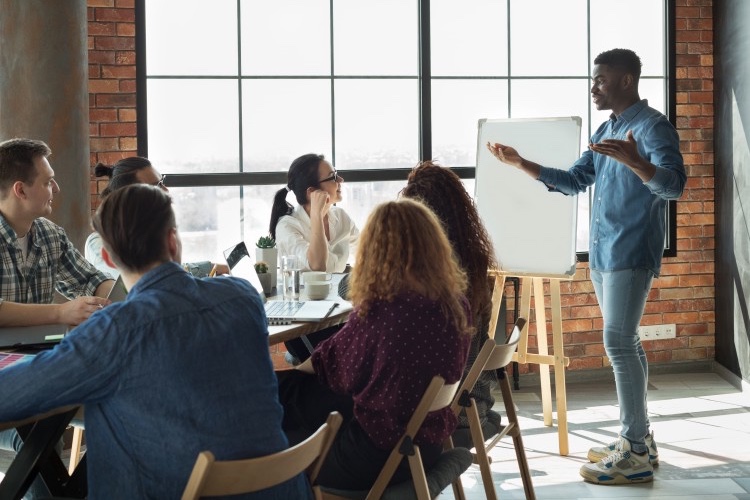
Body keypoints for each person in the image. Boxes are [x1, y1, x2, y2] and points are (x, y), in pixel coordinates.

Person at [0, 184, 311, 499]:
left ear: (107, 256)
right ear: (173, 241)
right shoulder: (243, 298)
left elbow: (11, 395)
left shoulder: (115, 331)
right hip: (281, 489)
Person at [487, 48, 686, 485]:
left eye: (600, 79)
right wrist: (520, 163)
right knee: (627, 342)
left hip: (631, 250)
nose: (593, 87)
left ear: (627, 80)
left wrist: (637, 161)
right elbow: (577, 180)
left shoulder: (652, 127)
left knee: (616, 341)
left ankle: (634, 450)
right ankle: (642, 440)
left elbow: (673, 187)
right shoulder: (607, 127)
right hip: (603, 253)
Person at [277, 198, 473, 490]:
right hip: (427, 446)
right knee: (310, 398)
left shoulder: (382, 311)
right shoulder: (456, 305)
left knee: (276, 426)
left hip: (376, 458)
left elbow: (325, 366)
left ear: (375, 251)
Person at [0, 137, 114, 499]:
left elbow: (95, 281)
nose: (56, 187)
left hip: (45, 365)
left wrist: (120, 297)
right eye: (47, 180)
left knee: (118, 407)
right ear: (20, 189)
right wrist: (61, 311)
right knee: (36, 441)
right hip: (7, 382)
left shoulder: (49, 234)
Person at [400, 160, 500, 447]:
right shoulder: (474, 260)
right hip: (475, 404)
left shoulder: (420, 271)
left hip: (446, 416)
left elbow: (352, 286)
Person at [269, 153, 359, 362]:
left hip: (337, 314)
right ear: (312, 192)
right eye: (333, 177)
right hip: (307, 326)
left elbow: (368, 248)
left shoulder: (340, 218)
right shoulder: (288, 226)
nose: (340, 181)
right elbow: (317, 264)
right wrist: (317, 215)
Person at [86, 156, 228, 278]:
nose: (166, 190)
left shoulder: (148, 229)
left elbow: (170, 270)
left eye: (163, 181)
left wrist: (220, 267)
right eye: (156, 186)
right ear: (130, 196)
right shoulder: (99, 242)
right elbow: (155, 277)